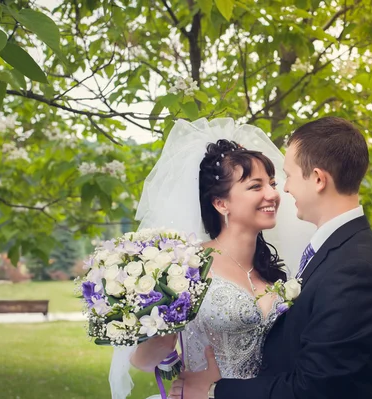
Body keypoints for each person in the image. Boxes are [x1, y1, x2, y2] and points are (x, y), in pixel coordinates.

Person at [170, 116, 372, 399]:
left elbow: (316, 389)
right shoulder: (336, 252)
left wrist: (214, 390)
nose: (283, 190)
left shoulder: (353, 270)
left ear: (317, 179)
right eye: (257, 185)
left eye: (285, 177)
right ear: (220, 203)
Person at [108, 118, 314, 399]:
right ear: (221, 203)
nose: (272, 194)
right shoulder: (187, 266)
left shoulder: (276, 270)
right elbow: (142, 360)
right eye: (256, 186)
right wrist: (163, 329)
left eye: (273, 183)